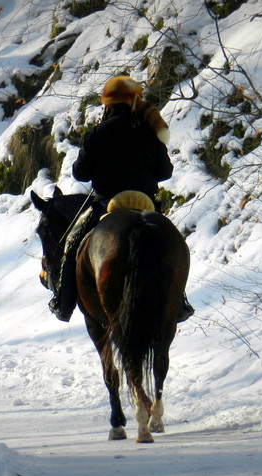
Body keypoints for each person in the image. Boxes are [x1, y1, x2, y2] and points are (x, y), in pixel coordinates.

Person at [49, 76, 193, 322]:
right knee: (168, 245)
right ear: (136, 102)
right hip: (146, 204)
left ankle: (63, 302)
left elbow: (80, 173)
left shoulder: (96, 133)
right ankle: (179, 300)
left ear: (108, 105)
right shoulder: (150, 132)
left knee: (73, 243)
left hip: (108, 205)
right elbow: (165, 172)